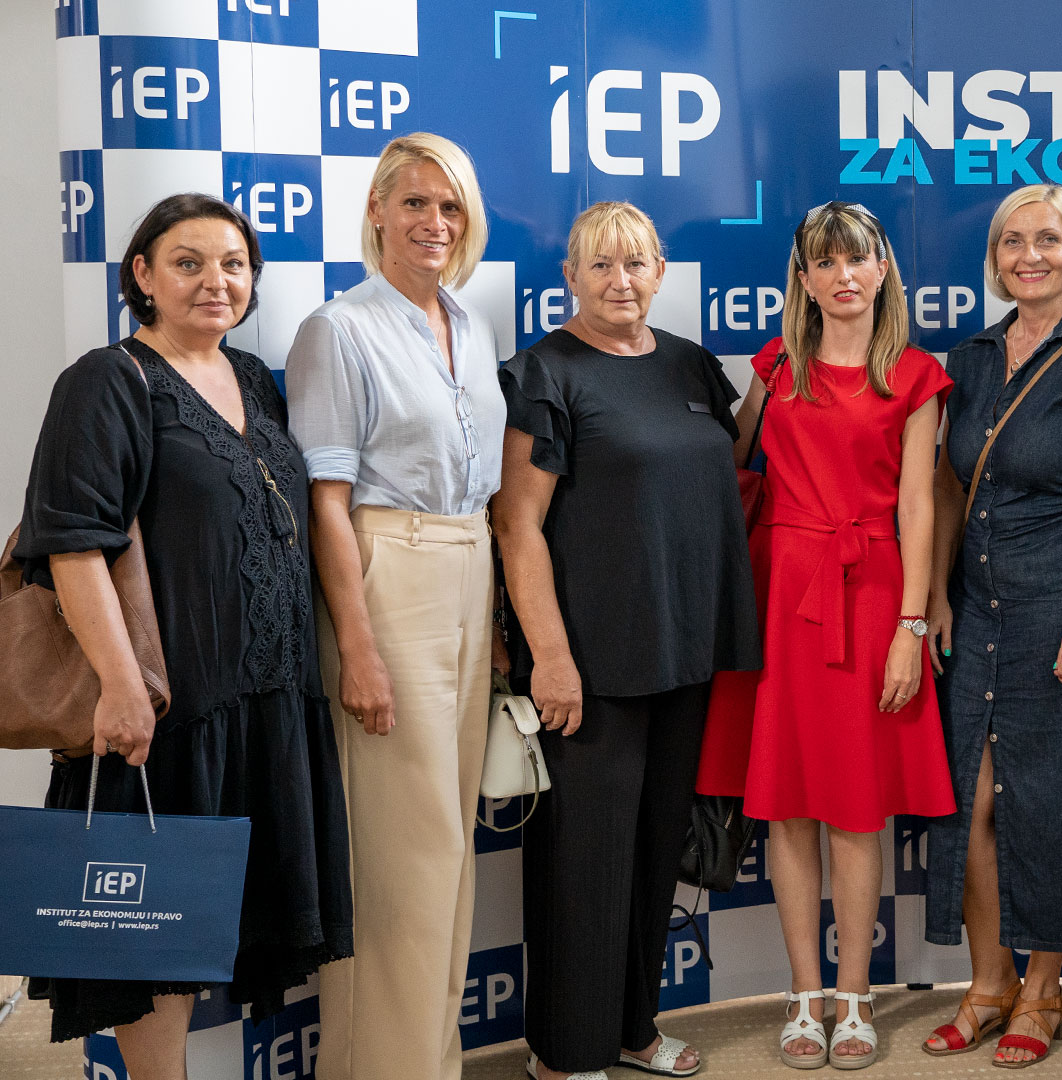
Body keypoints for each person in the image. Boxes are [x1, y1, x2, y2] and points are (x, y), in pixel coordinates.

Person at [15, 194, 352, 1074]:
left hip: (265, 707)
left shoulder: (251, 377)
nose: (216, 281)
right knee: (150, 940)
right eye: (188, 262)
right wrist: (123, 688)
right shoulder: (108, 379)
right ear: (143, 275)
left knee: (220, 924)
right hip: (167, 716)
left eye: (233, 264)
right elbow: (73, 545)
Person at [494, 201, 757, 1080]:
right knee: (582, 862)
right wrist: (551, 657)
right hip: (590, 665)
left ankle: (634, 1030)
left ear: (660, 271)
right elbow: (518, 526)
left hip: (684, 654)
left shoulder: (688, 364)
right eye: (600, 265)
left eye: (636, 263)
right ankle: (565, 1055)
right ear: (570, 275)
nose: (620, 281)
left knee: (651, 855)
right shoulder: (545, 372)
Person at [696, 201, 955, 1071]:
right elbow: (729, 463)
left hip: (874, 593)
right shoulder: (776, 365)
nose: (844, 275)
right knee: (788, 804)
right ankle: (803, 996)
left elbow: (918, 506)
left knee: (852, 806)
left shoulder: (916, 376)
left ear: (883, 270)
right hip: (782, 595)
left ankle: (855, 997)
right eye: (826, 261)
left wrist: (911, 625)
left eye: (859, 259)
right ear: (804, 279)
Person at [285, 132, 507, 1080]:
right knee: (399, 856)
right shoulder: (338, 329)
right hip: (389, 572)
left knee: (448, 848)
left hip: (469, 563)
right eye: (415, 202)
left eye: (450, 207)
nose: (434, 222)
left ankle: (431, 1062)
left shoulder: (472, 324)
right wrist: (359, 647)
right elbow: (326, 502)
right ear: (376, 209)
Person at [920, 184, 1062, 1069]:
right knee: (973, 801)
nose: (1030, 256)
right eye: (1013, 242)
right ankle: (989, 983)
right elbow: (949, 484)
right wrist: (936, 593)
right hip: (977, 610)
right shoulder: (971, 358)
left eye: (1049, 240)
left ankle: (1043, 990)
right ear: (995, 258)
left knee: (1051, 801)